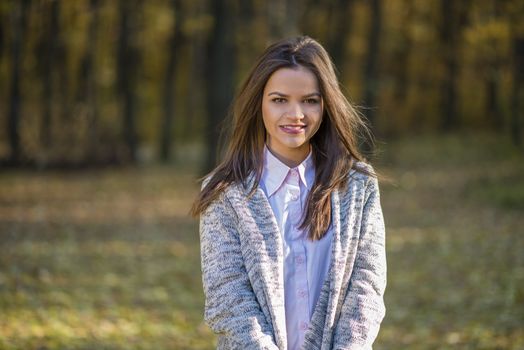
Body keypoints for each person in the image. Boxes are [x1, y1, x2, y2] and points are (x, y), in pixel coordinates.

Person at [191, 36, 386, 350]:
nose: (296, 114)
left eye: (310, 100)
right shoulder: (224, 193)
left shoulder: (358, 185)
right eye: (279, 100)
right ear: (259, 103)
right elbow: (228, 299)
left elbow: (367, 285)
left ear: (326, 104)